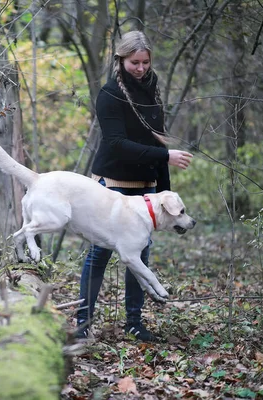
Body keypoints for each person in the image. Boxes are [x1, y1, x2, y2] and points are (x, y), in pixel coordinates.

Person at [76, 31, 193, 341]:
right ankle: (82, 324)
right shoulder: (110, 93)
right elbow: (116, 144)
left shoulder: (152, 88)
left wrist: (163, 191)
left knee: (139, 256)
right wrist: (166, 155)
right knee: (99, 253)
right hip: (111, 184)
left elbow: (158, 139)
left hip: (145, 188)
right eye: (134, 62)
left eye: (145, 62)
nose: (140, 68)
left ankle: (134, 323)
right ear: (121, 60)